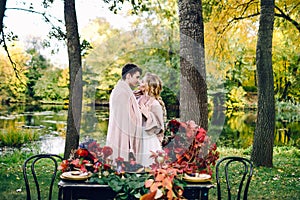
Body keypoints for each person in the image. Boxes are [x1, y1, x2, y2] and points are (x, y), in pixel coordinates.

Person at [106, 63, 143, 164]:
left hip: (123, 133)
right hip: (121, 135)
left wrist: (133, 96)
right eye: (137, 77)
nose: (138, 81)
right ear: (128, 76)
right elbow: (124, 119)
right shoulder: (121, 92)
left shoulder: (123, 90)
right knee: (121, 163)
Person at [137, 72, 167, 167]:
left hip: (150, 138)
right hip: (140, 135)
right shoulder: (141, 99)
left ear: (149, 86)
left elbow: (159, 127)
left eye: (143, 82)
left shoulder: (155, 104)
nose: (140, 83)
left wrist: (147, 114)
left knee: (149, 163)